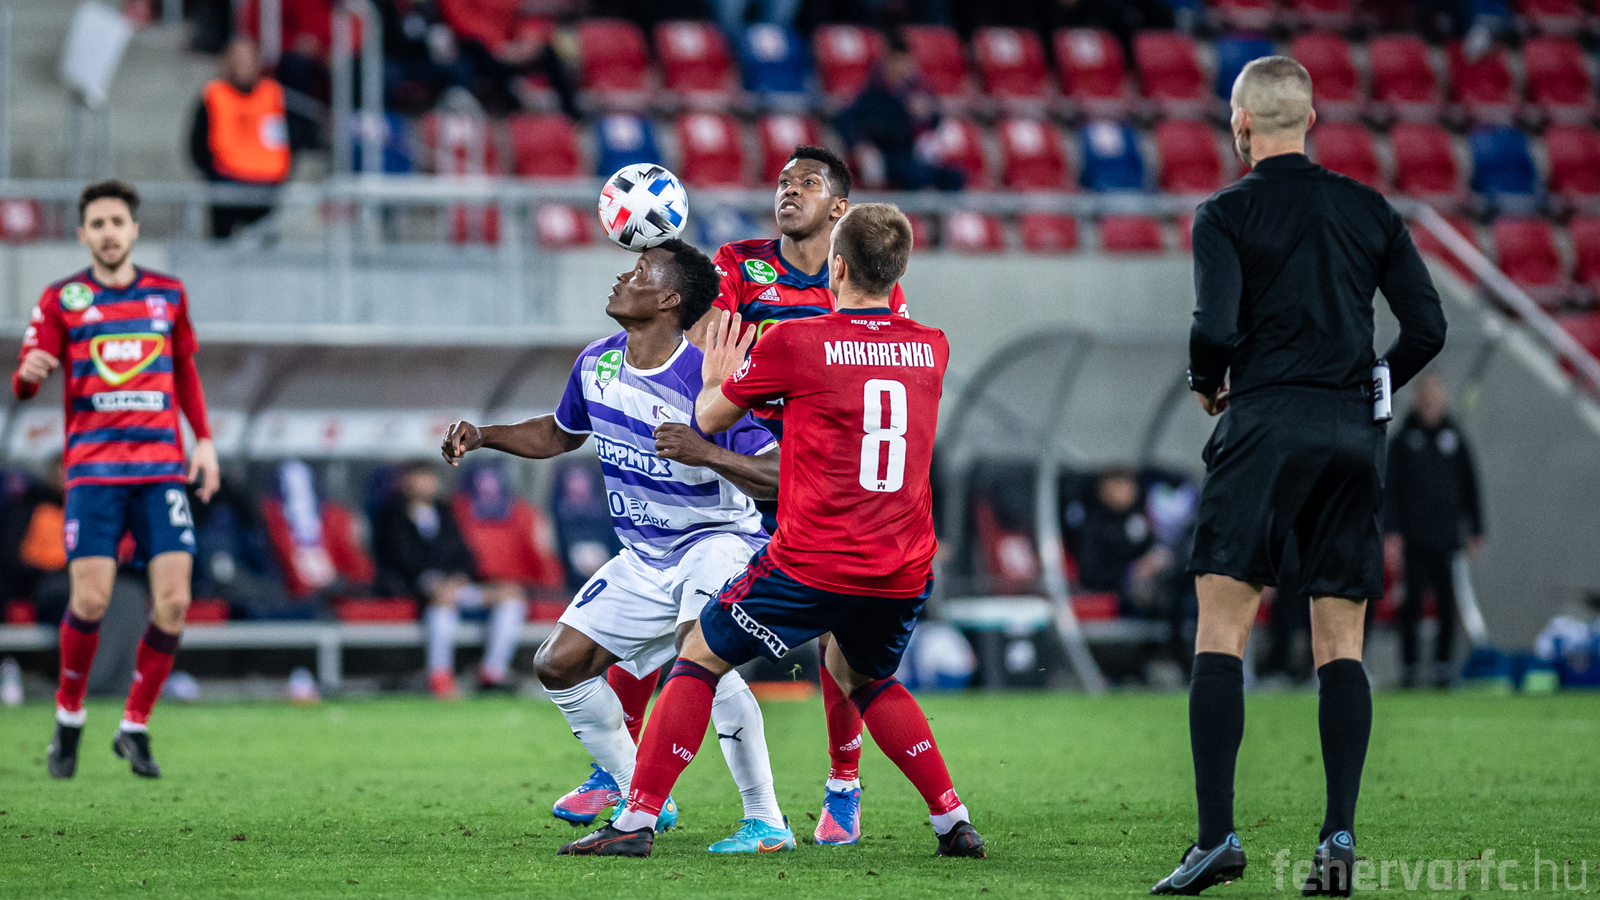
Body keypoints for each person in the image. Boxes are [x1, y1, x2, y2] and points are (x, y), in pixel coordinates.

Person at [558, 203, 986, 860]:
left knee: (698, 657)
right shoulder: (933, 346)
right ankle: (952, 820)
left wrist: (715, 378)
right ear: (897, 274)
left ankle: (636, 819)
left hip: (814, 558)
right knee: (867, 679)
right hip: (901, 564)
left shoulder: (797, 342)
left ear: (836, 267)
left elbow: (709, 417)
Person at [1151, 57, 1446, 896]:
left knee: (1222, 630)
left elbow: (1215, 326)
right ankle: (1338, 840)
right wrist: (1374, 386)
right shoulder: (1370, 208)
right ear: (1311, 119)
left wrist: (1206, 383)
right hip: (1354, 430)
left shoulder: (1225, 212)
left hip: (1266, 424)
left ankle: (1216, 839)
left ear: (1241, 123)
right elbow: (1427, 327)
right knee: (1340, 642)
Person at [440, 238, 795, 854]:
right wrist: (485, 434)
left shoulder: (708, 376)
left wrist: (704, 450)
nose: (621, 277)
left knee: (700, 655)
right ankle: (640, 796)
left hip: (717, 540)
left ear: (669, 299)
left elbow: (781, 473)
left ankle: (766, 821)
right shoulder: (597, 362)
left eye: (639, 271)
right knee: (557, 664)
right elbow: (559, 434)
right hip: (643, 554)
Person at [702, 144, 908, 847]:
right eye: (784, 181)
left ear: (840, 208)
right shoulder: (739, 262)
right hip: (740, 466)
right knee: (670, 599)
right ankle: (623, 777)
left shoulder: (867, 282)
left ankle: (843, 788)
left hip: (825, 479)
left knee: (838, 644)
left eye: (808, 183)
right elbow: (711, 343)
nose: (789, 191)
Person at [16, 180, 222, 780]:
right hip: (94, 473)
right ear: (83, 234)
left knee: (175, 601)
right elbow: (26, 381)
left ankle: (134, 726)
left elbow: (183, 371)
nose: (108, 232)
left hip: (161, 471)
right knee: (91, 599)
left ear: (134, 230)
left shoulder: (167, 294)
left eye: (117, 222)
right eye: (98, 223)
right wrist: (29, 374)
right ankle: (69, 715)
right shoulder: (63, 299)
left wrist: (204, 441)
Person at [371, 461, 528, 698]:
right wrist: (434, 580)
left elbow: (464, 554)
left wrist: (458, 576)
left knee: (511, 596)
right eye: (419, 478)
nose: (425, 484)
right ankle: (440, 675)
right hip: (415, 585)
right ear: (405, 483)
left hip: (455, 584)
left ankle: (493, 672)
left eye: (429, 478)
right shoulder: (390, 514)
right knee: (442, 600)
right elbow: (398, 558)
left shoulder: (445, 512)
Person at [1384, 375, 1484, 689]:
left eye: (1435, 398)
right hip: (1413, 537)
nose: (1430, 404)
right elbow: (1390, 490)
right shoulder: (1403, 440)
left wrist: (1476, 527)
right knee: (1411, 603)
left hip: (1446, 536)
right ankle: (1411, 666)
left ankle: (1442, 665)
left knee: (1445, 602)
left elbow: (1470, 484)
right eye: (1426, 398)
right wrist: (1391, 532)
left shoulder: (1454, 438)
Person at [188, 40, 292, 239]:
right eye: (237, 60)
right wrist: (212, 173)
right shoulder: (214, 94)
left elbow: (283, 138)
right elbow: (197, 142)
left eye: (247, 60)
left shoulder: (272, 93)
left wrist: (280, 172)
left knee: (263, 248)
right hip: (226, 181)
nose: (242, 66)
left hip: (266, 184)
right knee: (223, 247)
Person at [835, 40, 964, 193]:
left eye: (907, 62)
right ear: (889, 62)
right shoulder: (873, 91)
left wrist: (927, 113)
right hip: (885, 154)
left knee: (954, 177)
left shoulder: (917, 89)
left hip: (912, 153)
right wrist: (860, 144)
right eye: (900, 62)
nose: (904, 68)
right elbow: (846, 119)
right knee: (913, 176)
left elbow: (935, 119)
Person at [1063, 468, 1175, 619]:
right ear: (1102, 487)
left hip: (1146, 593)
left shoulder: (1140, 520)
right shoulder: (1092, 525)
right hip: (1110, 597)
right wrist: (1132, 571)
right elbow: (1090, 575)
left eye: (1129, 481)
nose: (1125, 489)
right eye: (1117, 482)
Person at [0, 458, 70, 625]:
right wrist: (53, 567)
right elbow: (11, 557)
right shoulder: (31, 508)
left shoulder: (87, 513)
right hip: (40, 586)